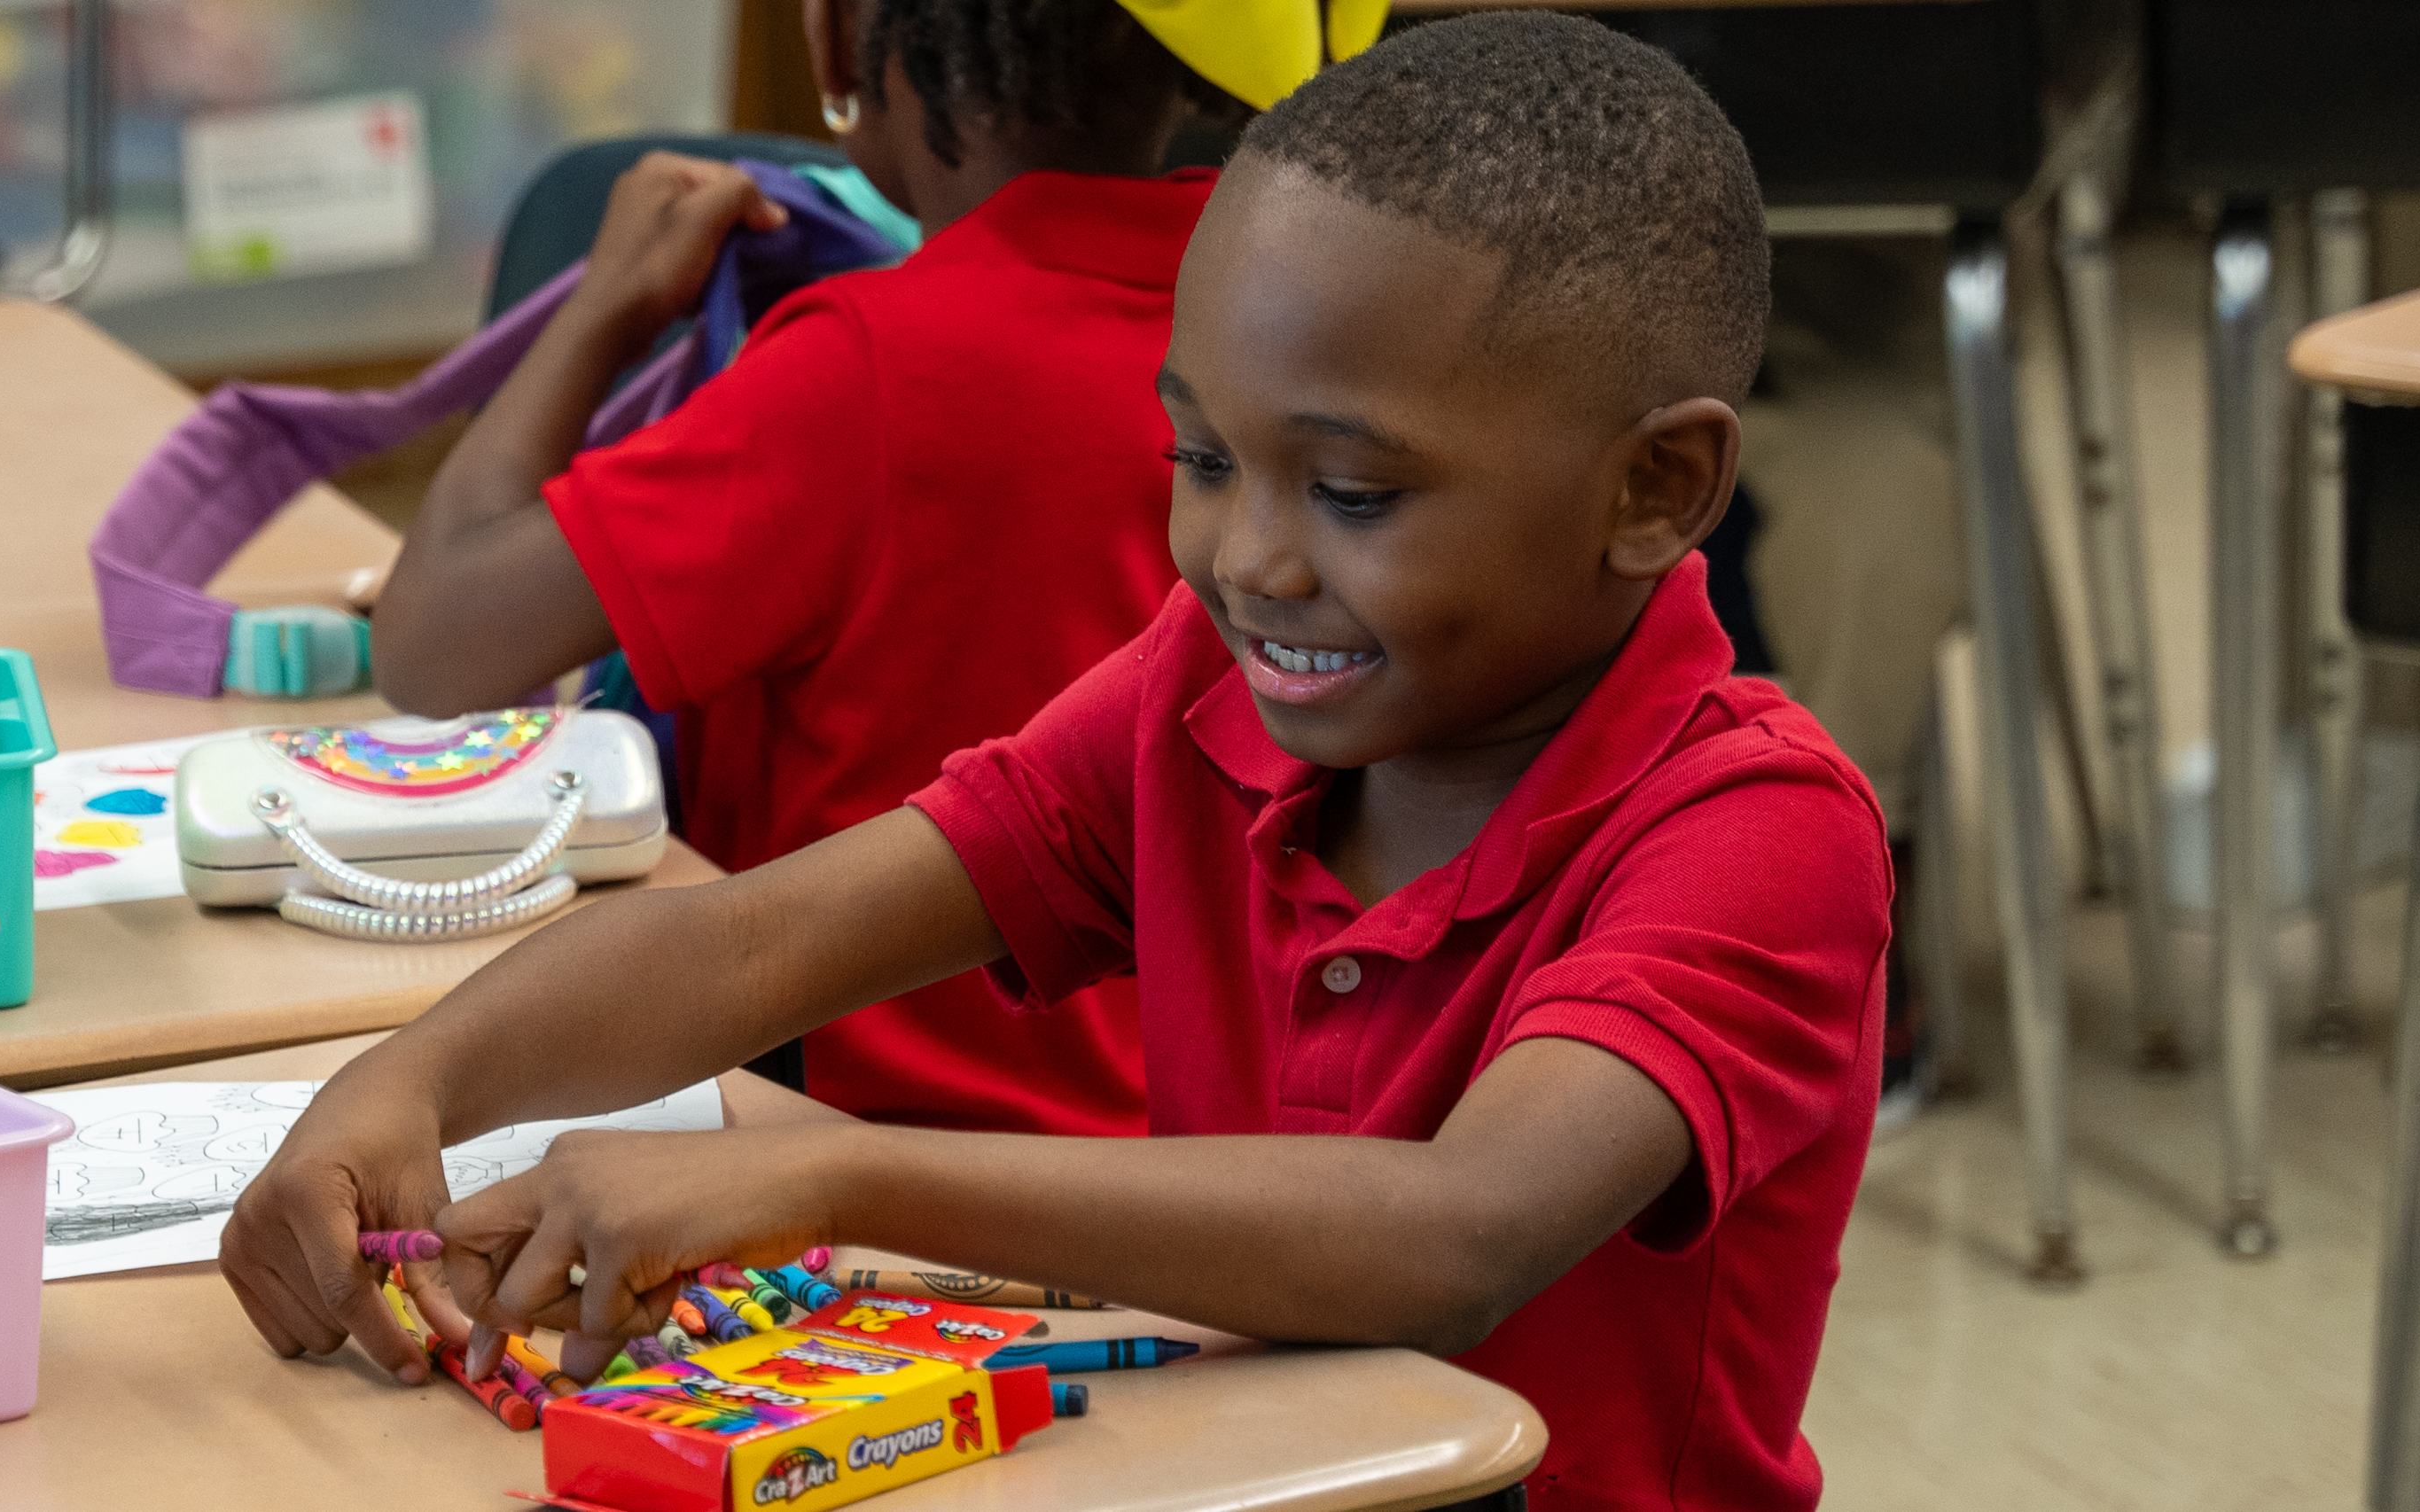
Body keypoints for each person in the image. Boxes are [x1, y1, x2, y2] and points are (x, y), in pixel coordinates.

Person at [230, 15, 1886, 1509]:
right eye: (1202, 456)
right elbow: (756, 940)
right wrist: (406, 1086)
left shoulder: (1752, 827)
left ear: (1656, 490)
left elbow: (1452, 1235)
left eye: (1355, 497)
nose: (1246, 559)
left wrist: (822, 1175)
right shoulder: (1202, 698)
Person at [361, 0, 1338, 1137]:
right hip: (1234, 1178)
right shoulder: (1301, 323)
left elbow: (435, 648)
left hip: (881, 1175)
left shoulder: (871, 369)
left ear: (842, 35)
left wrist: (603, 310)